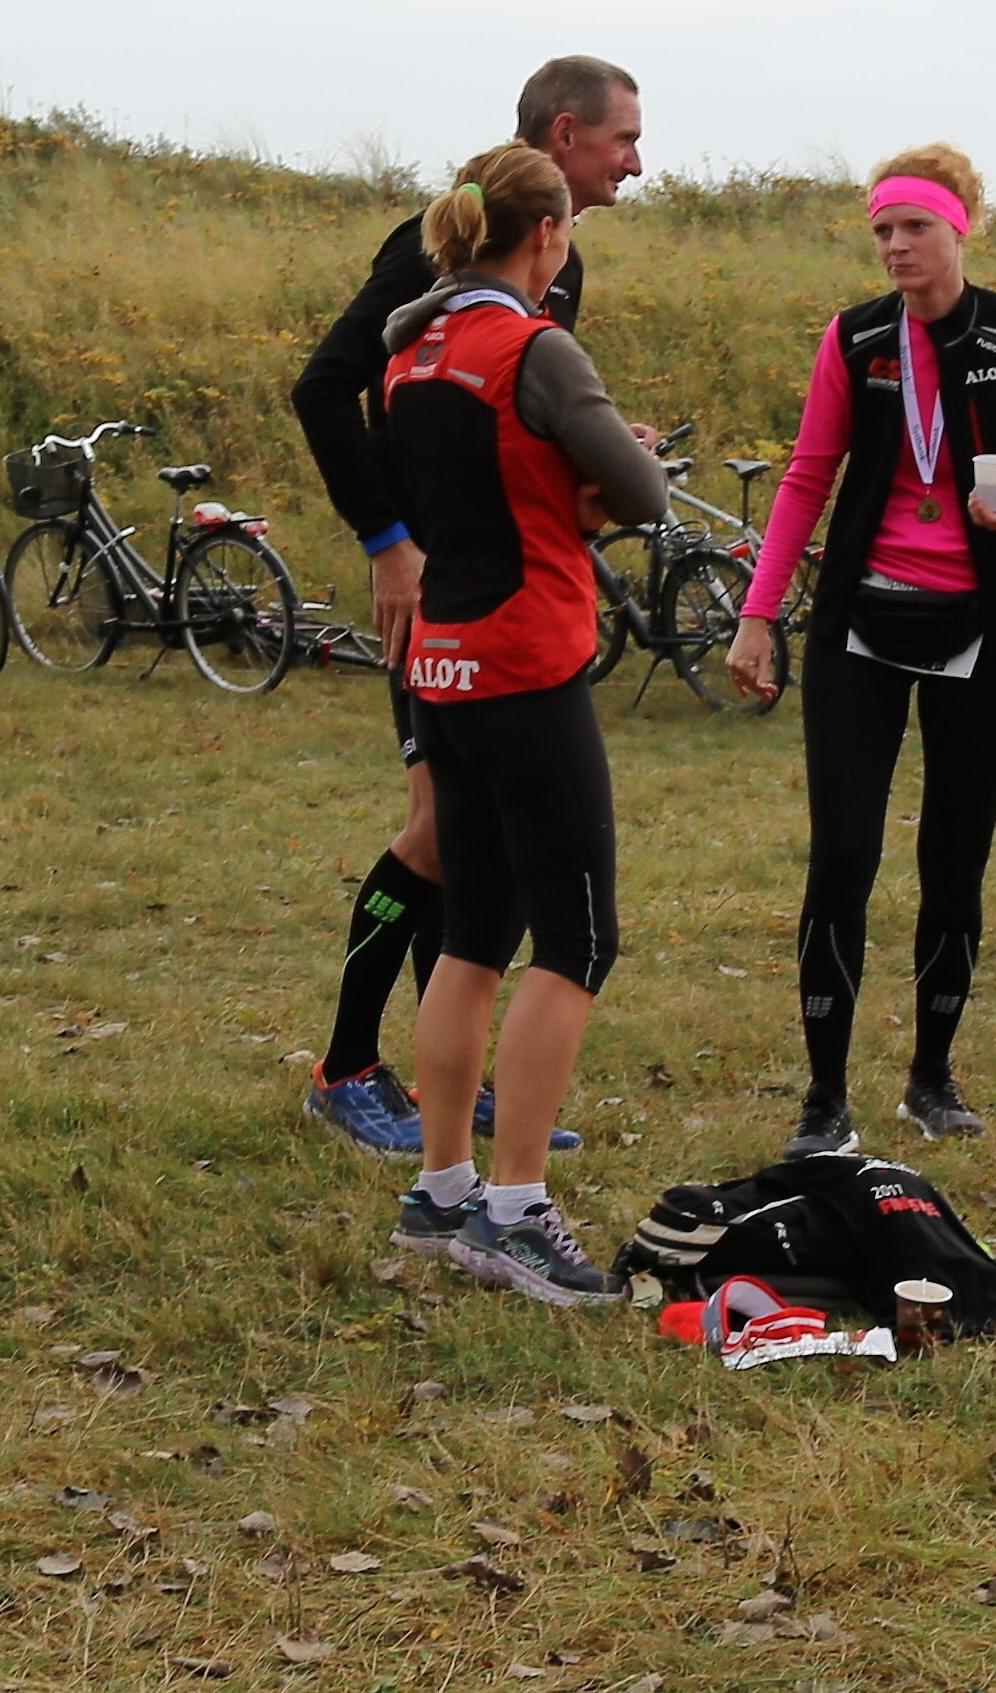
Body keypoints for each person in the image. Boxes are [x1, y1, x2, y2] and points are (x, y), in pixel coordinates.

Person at [287, 57, 645, 1155]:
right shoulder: (441, 246)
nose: (637, 162)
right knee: (439, 832)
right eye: (625, 138)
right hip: (445, 596)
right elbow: (324, 385)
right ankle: (348, 1067)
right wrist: (389, 541)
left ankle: (455, 1082)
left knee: (477, 837)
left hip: (507, 593)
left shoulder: (554, 272)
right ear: (565, 136)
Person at [725, 146, 996, 1155]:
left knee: (953, 861)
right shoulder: (855, 337)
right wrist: (757, 615)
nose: (894, 245)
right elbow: (806, 476)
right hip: (862, 625)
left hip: (985, 629)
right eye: (881, 229)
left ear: (957, 228)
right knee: (842, 857)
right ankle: (824, 1099)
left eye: (914, 226)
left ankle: (932, 1079)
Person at [376, 147, 667, 1304]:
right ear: (546, 234)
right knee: (577, 944)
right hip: (527, 665)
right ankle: (513, 1210)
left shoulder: (408, 351)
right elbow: (640, 496)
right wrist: (607, 479)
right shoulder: (536, 347)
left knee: (472, 936)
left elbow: (475, 490)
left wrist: (565, 487)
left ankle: (440, 1189)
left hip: (441, 663)